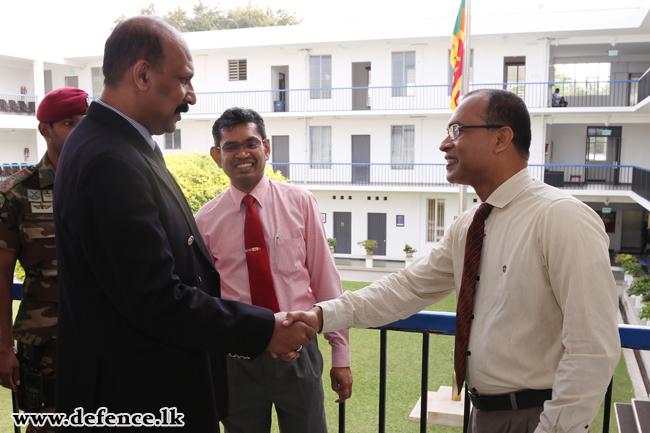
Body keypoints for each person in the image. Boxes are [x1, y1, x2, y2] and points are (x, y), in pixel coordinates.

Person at [287, 89, 621, 433]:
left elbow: (593, 348)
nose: (445, 144)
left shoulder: (560, 217)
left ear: (501, 138)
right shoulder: (470, 225)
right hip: (483, 415)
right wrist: (322, 315)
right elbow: (407, 288)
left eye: (458, 131)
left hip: (536, 417)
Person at [53, 16, 314, 431]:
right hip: (135, 398)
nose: (190, 96)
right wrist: (264, 328)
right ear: (142, 74)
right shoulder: (109, 159)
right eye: (183, 80)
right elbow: (155, 298)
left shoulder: (122, 145)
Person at [195, 108, 353, 433]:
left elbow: (325, 280)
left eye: (251, 143)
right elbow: (206, 299)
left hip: (299, 352)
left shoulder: (301, 203)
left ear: (267, 147)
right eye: (230, 146)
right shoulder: (205, 222)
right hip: (237, 361)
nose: (242, 154)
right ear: (216, 155)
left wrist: (341, 355)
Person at [0, 87, 88, 433]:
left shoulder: (106, 185)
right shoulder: (17, 193)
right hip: (44, 346)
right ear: (45, 130)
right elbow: (3, 276)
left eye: (85, 123)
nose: (80, 131)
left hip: (102, 339)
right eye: (69, 123)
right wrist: (4, 348)